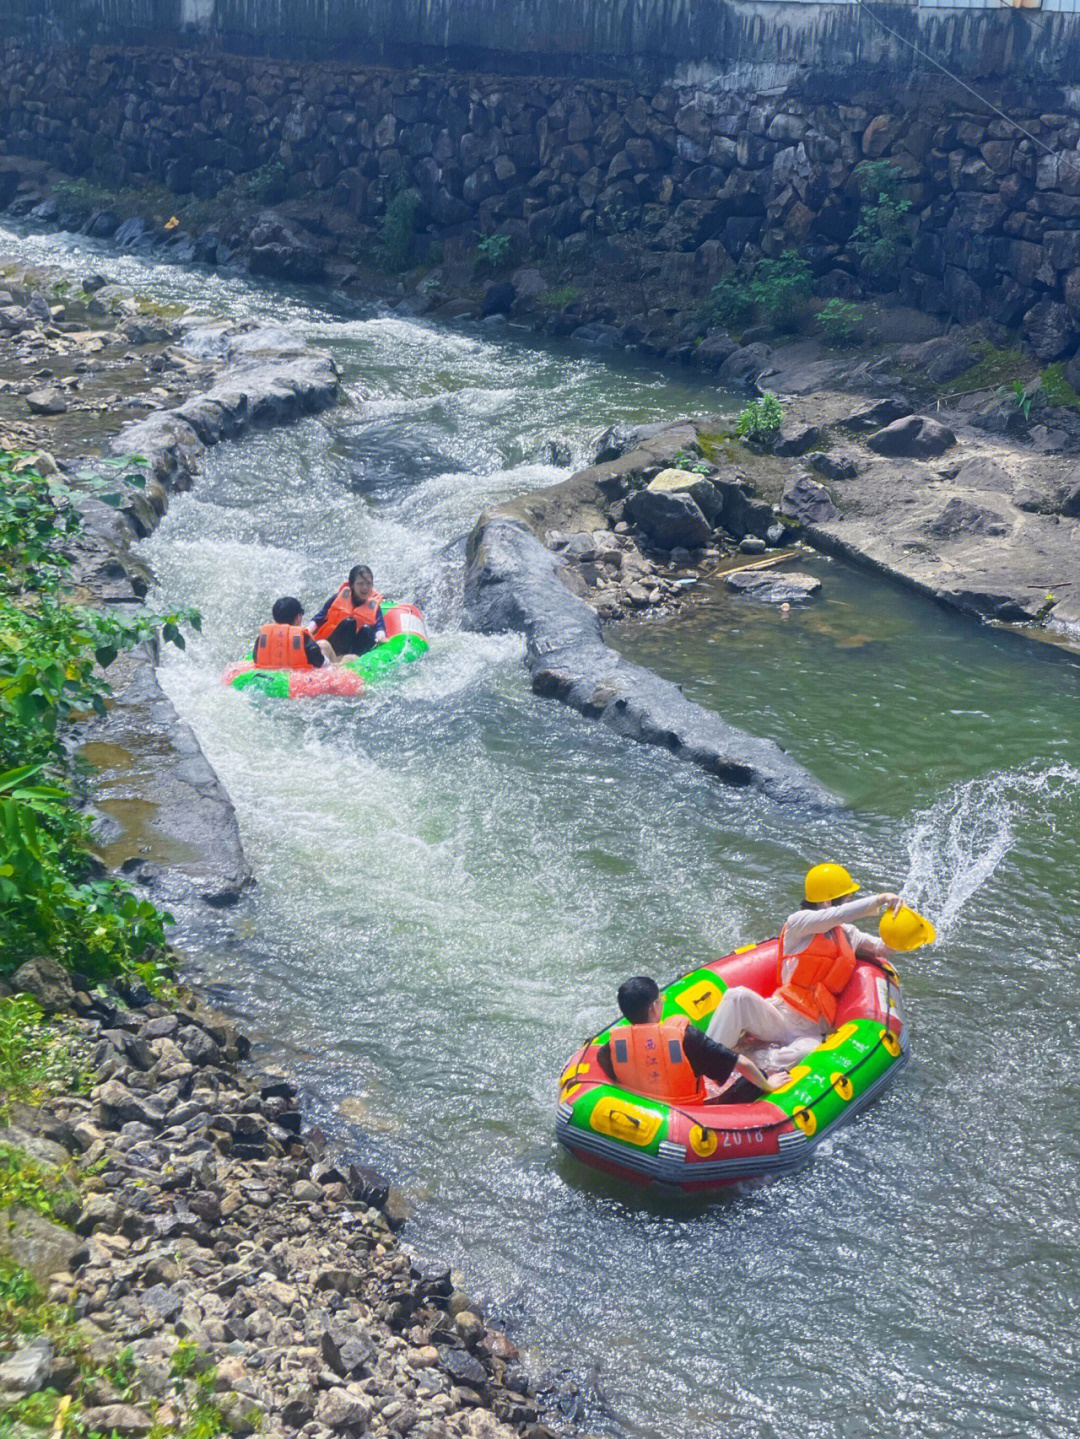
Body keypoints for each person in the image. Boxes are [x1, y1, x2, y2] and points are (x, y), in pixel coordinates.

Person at [706, 863, 901, 1066]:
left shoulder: (849, 934)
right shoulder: (797, 924)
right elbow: (836, 915)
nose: (849, 902)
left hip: (814, 1030)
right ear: (827, 902)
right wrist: (880, 899)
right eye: (847, 898)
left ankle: (747, 1058)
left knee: (800, 1056)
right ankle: (708, 1062)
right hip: (782, 1015)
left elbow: (882, 948)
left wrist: (901, 929)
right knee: (736, 997)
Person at [595, 975, 788, 1105]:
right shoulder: (685, 1037)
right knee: (757, 1077)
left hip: (649, 1112)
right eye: (660, 999)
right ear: (654, 1008)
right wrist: (769, 1084)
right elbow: (743, 1064)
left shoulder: (613, 1046)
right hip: (690, 1116)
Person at [310, 565, 387, 657]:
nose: (365, 587)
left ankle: (356, 662)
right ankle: (338, 659)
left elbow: (380, 628)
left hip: (357, 650)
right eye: (360, 583)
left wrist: (381, 638)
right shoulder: (337, 598)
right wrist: (307, 631)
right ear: (352, 585)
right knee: (349, 623)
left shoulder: (374, 606)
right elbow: (319, 618)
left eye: (368, 583)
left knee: (368, 629)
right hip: (335, 648)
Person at [253, 596, 336, 669]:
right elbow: (322, 664)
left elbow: (256, 659)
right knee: (325, 645)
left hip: (272, 677)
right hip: (302, 680)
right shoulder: (304, 639)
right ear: (298, 617)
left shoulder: (262, 638)